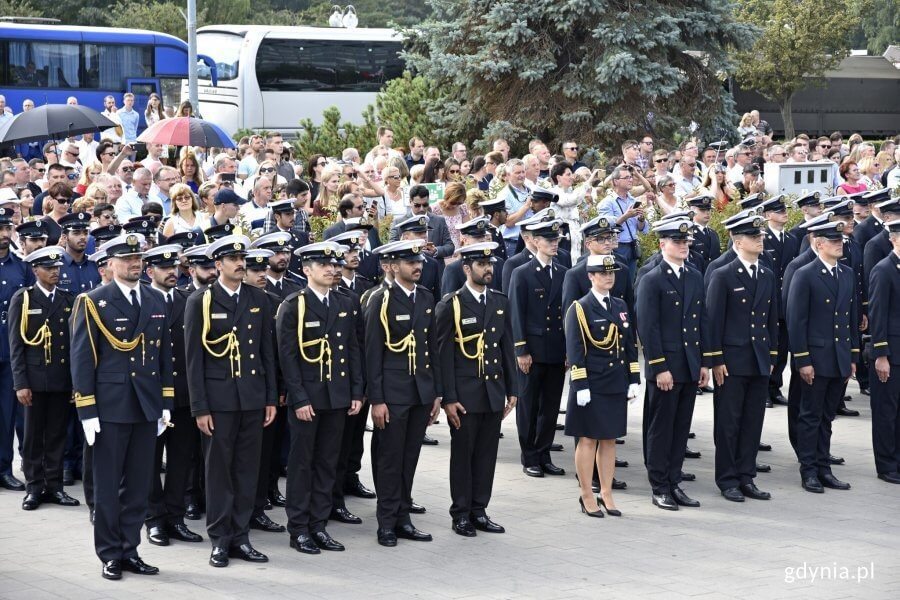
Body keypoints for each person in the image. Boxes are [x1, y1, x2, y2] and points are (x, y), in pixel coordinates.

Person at [69, 232, 174, 580]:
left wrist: (166, 403)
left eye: (138, 259)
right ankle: (110, 553)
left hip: (145, 405)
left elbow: (163, 357)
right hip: (109, 408)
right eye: (127, 259)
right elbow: (82, 359)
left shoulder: (156, 301)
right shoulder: (93, 301)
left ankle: (130, 549)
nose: (134, 264)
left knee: (139, 485)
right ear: (110, 264)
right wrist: (87, 410)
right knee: (108, 487)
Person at [184, 235, 278, 568]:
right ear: (218, 264)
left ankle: (241, 537)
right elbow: (193, 360)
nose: (241, 263)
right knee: (219, 472)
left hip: (252, 397)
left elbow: (268, 353)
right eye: (233, 259)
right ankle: (220, 540)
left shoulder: (259, 299)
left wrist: (270, 398)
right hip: (219, 400)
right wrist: (200, 408)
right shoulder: (201, 301)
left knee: (246, 470)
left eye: (243, 258)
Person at [276, 241, 363, 554]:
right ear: (306, 269)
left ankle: (319, 525)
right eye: (323, 265)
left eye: (333, 264)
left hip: (337, 395)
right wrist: (298, 399)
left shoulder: (344, 302)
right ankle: (299, 528)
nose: (331, 269)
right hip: (309, 398)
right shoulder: (294, 305)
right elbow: (287, 358)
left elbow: (353, 349)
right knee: (302, 464)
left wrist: (355, 391)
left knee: (328, 463)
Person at [434, 241, 516, 536]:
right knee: (464, 454)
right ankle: (461, 513)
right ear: (467, 269)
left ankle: (480, 509)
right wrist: (448, 398)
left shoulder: (499, 301)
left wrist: (513, 389)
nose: (488, 269)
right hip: (465, 394)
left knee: (486, 454)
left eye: (490, 264)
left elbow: (506, 346)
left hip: (492, 390)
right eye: (481, 265)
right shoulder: (451, 304)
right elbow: (443, 355)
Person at [364, 240, 441, 547]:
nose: (417, 266)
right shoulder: (380, 300)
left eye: (418, 261)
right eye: (410, 263)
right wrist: (377, 399)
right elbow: (373, 354)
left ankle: (403, 517)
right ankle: (386, 523)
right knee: (389, 459)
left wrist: (436, 394)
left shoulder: (425, 297)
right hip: (392, 394)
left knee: (409, 458)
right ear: (393, 266)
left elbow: (431, 347)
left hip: (420, 391)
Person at [703, 215, 778, 503]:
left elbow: (772, 319)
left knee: (752, 422)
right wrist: (716, 359)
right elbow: (713, 321)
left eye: (759, 235)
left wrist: (772, 355)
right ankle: (727, 479)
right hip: (732, 360)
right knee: (729, 422)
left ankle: (747, 476)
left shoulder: (766, 274)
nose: (759, 239)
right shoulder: (723, 274)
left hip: (759, 358)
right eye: (752, 236)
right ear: (737, 241)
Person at [636, 219, 709, 511]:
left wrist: (703, 362)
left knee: (681, 428)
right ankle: (659, 485)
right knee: (661, 428)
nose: (683, 246)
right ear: (662, 244)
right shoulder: (652, 278)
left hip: (689, 364)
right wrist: (658, 366)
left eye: (686, 242)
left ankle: (674, 480)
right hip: (665, 366)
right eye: (677, 242)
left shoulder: (693, 276)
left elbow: (700, 321)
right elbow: (648, 327)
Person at [786, 220, 858, 494]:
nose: (839, 244)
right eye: (833, 241)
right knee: (810, 416)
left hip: (838, 357)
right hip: (815, 358)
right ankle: (809, 471)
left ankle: (824, 467)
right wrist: (803, 360)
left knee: (827, 417)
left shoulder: (847, 273)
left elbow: (849, 319)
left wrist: (852, 356)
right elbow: (796, 321)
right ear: (819, 244)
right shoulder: (805, 274)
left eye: (840, 240)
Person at [565, 254, 639, 517]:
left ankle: (606, 492)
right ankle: (586, 494)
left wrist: (633, 379)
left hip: (615, 382)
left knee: (609, 440)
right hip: (592, 383)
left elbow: (629, 345)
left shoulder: (619, 305)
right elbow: (575, 350)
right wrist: (580, 384)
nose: (609, 277)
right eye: (603, 273)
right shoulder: (580, 308)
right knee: (587, 440)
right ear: (591, 277)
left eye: (612, 273)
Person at [141, 244, 205, 546]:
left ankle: (176, 517)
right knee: (150, 462)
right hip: (151, 397)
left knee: (182, 460)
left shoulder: (189, 300)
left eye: (173, 267)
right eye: (163, 268)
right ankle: (154, 519)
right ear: (149, 271)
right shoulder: (141, 300)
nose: (171, 272)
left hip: (182, 397)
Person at [9, 246, 79, 511]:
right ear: (35, 270)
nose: (55, 272)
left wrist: (75, 382)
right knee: (32, 436)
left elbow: (73, 345)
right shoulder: (24, 298)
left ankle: (55, 486)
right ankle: (34, 487)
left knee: (57, 434)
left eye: (57, 268)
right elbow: (16, 344)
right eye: (49, 268)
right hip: (34, 380)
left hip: (60, 378)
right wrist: (20, 383)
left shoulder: (67, 298)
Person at [509, 219, 568, 479]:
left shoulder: (564, 272)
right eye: (549, 240)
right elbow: (516, 313)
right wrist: (521, 349)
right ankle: (529, 456)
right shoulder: (522, 272)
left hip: (555, 348)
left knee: (551, 406)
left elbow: (567, 314)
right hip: (532, 350)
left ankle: (544, 454)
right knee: (529, 405)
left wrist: (569, 350)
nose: (554, 245)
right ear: (534, 241)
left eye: (556, 240)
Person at [0, 206, 31, 493]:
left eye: (6, 228)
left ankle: (5, 468)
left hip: (10, 350)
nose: (3, 234)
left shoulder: (21, 267)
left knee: (8, 414)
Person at [868, 218, 900, 484]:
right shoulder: (884, 269)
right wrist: (881, 354)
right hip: (890, 353)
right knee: (886, 412)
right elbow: (877, 315)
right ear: (894, 239)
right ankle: (886, 464)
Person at [596, 165, 649, 283]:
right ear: (616, 181)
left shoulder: (633, 200)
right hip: (617, 247)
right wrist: (626, 216)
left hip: (632, 246)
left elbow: (641, 229)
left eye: (631, 177)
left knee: (630, 283)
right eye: (626, 177)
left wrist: (641, 219)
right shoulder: (607, 203)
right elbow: (605, 227)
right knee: (617, 282)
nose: (631, 180)